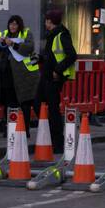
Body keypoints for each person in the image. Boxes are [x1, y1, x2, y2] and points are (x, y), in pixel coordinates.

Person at [0, 15, 38, 128]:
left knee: (23, 102)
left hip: (22, 76)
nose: (13, 26)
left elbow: (29, 48)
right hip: (6, 75)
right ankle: (9, 127)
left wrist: (14, 44)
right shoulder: (4, 34)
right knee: (7, 102)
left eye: (15, 24)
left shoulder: (26, 33)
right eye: (11, 24)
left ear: (19, 25)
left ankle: (25, 128)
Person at [35, 8, 75, 148]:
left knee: (52, 109)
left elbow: (72, 55)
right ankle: (49, 135)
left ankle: (57, 141)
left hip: (54, 77)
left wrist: (58, 71)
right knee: (38, 103)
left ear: (50, 21)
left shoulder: (61, 35)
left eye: (46, 20)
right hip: (47, 75)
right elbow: (51, 56)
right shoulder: (52, 35)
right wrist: (40, 59)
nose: (45, 23)